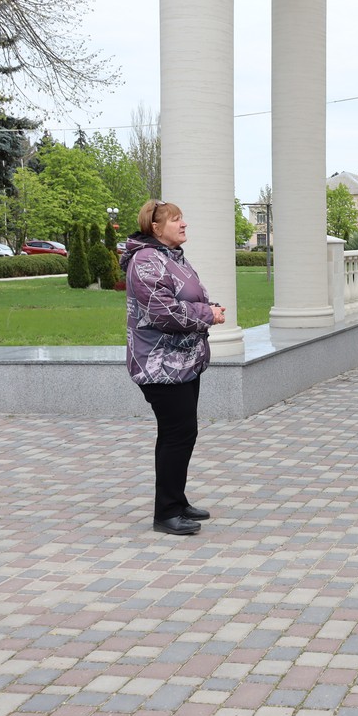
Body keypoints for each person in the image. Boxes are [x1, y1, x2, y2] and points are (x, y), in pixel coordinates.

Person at [121, 199, 225, 536]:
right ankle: (165, 513)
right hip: (159, 364)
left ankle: (176, 501)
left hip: (182, 362)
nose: (184, 224)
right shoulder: (146, 261)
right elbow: (162, 312)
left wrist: (209, 307)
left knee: (182, 433)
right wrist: (208, 314)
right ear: (155, 227)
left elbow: (186, 299)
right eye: (176, 219)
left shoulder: (171, 256)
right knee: (177, 434)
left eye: (182, 218)